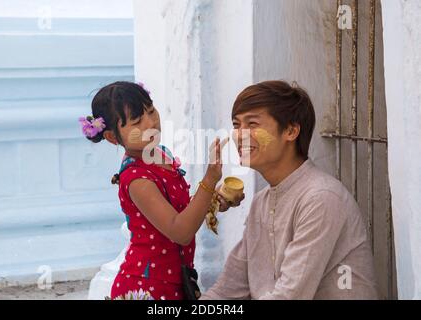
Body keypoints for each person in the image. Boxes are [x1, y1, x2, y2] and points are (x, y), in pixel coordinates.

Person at [201, 80, 378, 300]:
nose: (240, 135)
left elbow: (289, 296)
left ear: (291, 131)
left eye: (252, 124)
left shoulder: (321, 198)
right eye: (237, 125)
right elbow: (228, 290)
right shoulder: (261, 203)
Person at [79, 81, 242, 300]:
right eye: (137, 121)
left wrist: (213, 198)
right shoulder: (137, 179)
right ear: (111, 136)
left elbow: (180, 212)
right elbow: (180, 231)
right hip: (148, 287)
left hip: (176, 280)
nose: (151, 123)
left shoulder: (159, 156)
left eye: (151, 111)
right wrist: (210, 180)